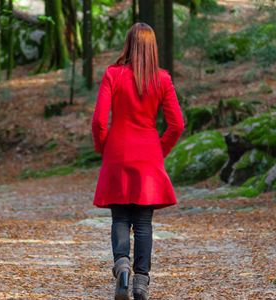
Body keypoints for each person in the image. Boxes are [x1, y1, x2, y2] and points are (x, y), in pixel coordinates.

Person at [91, 23, 184, 300]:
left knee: (120, 217)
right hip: (148, 155)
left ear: (129, 44)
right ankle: (141, 283)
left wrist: (102, 147)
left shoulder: (113, 75)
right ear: (153, 47)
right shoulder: (162, 79)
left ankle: (122, 265)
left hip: (117, 153)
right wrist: (160, 149)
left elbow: (98, 120)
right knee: (143, 223)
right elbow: (177, 124)